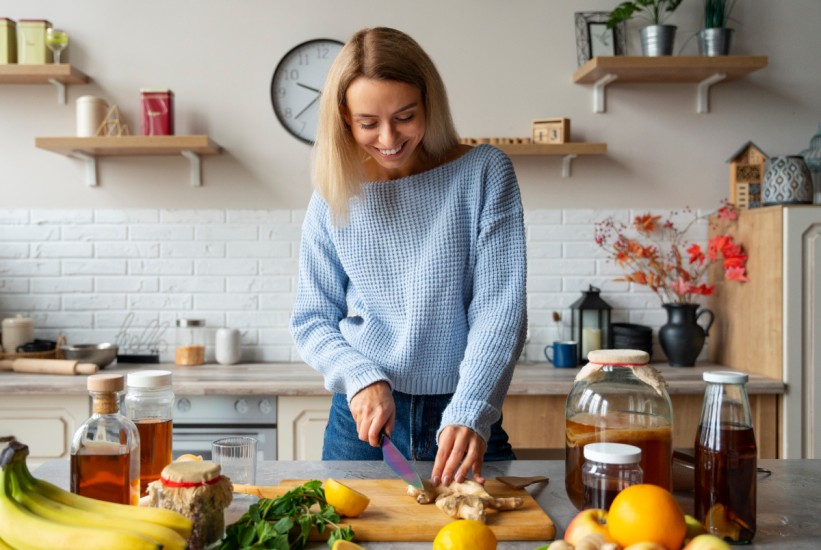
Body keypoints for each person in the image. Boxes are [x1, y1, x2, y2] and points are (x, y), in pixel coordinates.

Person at [290, 26, 526, 486]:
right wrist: (359, 375)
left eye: (405, 117)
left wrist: (471, 407)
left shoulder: (483, 173)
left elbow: (499, 309)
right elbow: (311, 320)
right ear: (344, 118)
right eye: (368, 123)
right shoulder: (334, 194)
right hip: (363, 421)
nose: (388, 138)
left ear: (429, 104)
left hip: (463, 411)